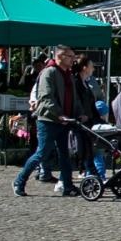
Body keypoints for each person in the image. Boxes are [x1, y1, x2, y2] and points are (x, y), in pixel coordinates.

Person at [13, 45, 76, 196]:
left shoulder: (68, 74)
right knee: (42, 153)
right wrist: (59, 114)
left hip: (64, 121)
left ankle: (67, 186)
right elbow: (46, 97)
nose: (73, 60)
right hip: (48, 120)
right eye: (70, 56)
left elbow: (74, 98)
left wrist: (78, 113)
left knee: (64, 154)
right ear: (60, 56)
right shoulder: (49, 73)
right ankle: (19, 181)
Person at [71, 55, 103, 179]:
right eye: (91, 66)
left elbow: (91, 104)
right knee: (84, 148)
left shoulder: (86, 83)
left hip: (89, 120)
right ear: (84, 68)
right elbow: (76, 101)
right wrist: (80, 114)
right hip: (80, 120)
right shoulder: (76, 83)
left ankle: (92, 172)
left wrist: (99, 119)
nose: (93, 69)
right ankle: (88, 171)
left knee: (89, 148)